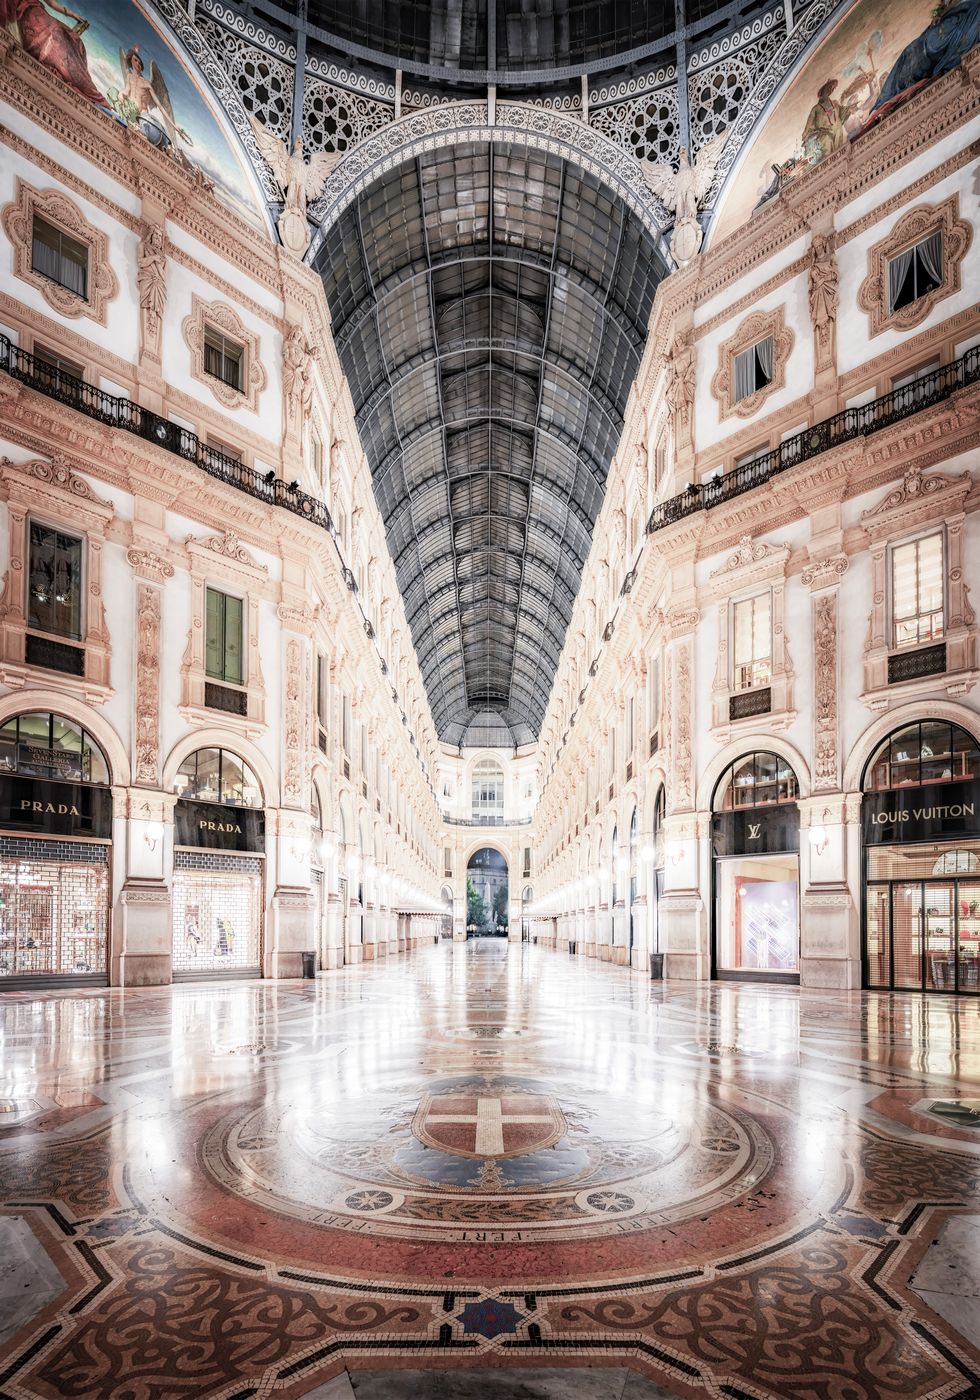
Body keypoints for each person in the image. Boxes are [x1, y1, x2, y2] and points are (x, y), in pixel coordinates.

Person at [0, 0, 106, 105]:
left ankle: (89, 90)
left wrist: (72, 14)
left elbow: (52, 3)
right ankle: (89, 90)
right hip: (28, 17)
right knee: (57, 38)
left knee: (70, 38)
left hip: (39, 14)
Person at [802, 79, 855, 164]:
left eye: (832, 88)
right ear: (823, 91)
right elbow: (808, 128)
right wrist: (809, 135)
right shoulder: (816, 109)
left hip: (838, 132)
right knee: (827, 145)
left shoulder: (835, 104)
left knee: (839, 153)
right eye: (829, 88)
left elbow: (843, 112)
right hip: (825, 135)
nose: (831, 90)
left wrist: (850, 109)